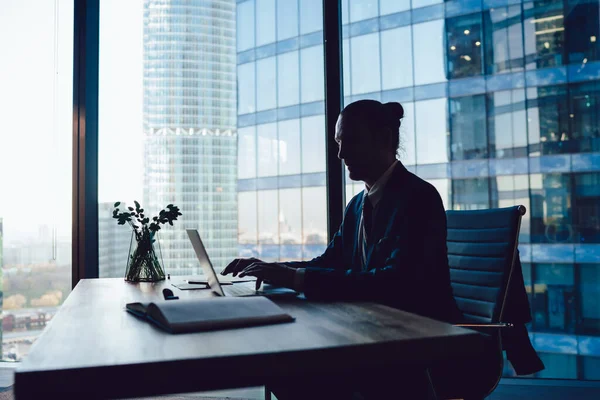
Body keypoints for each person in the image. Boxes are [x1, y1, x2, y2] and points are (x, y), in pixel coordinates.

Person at [221, 100, 463, 399]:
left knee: (292, 368)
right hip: (374, 332)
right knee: (287, 365)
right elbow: (329, 262)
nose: (341, 153)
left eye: (350, 141)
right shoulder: (359, 204)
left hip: (417, 341)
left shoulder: (418, 198)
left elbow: (397, 282)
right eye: (339, 142)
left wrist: (295, 278)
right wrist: (273, 269)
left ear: (384, 139)